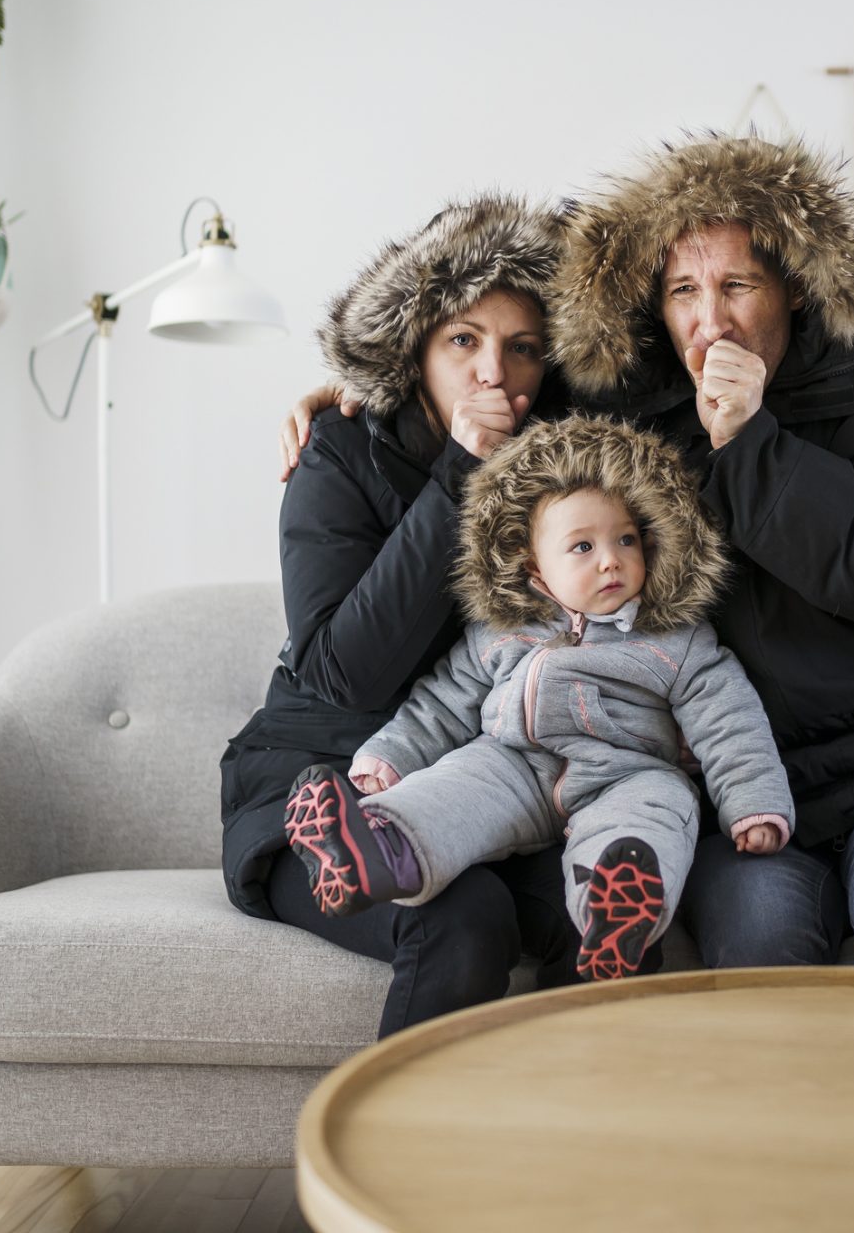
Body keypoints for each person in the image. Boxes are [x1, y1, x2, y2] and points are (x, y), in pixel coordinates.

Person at [283, 135, 854, 974]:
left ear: (794, 281)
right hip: (738, 782)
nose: (713, 321)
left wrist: (753, 444)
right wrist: (364, 396)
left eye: (739, 285)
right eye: (683, 292)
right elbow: (492, 360)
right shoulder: (636, 399)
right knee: (758, 942)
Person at [221, 194, 623, 1041]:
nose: (493, 373)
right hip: (320, 779)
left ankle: (575, 1121)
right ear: (418, 346)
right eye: (463, 341)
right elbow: (346, 673)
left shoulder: (568, 468)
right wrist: (459, 476)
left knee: (604, 910)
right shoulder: (339, 450)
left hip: (479, 791)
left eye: (523, 348)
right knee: (460, 920)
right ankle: (398, 1134)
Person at [282, 416, 794, 980]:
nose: (610, 559)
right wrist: (389, 757)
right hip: (513, 763)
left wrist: (753, 803)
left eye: (626, 539)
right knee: (454, 788)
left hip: (628, 773)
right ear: (535, 567)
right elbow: (443, 703)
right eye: (583, 546)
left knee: (656, 814)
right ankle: (379, 851)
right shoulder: (501, 629)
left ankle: (615, 910)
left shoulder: (678, 640)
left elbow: (730, 722)